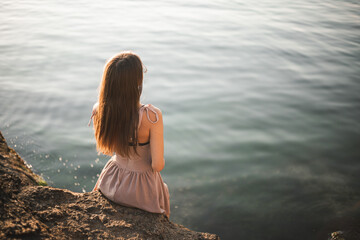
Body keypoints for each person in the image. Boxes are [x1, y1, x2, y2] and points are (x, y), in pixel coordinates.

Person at [89, 51, 170, 218]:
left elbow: (107, 148)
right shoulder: (151, 116)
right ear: (137, 81)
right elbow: (157, 165)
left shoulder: (99, 109)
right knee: (164, 190)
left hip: (110, 181)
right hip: (141, 191)